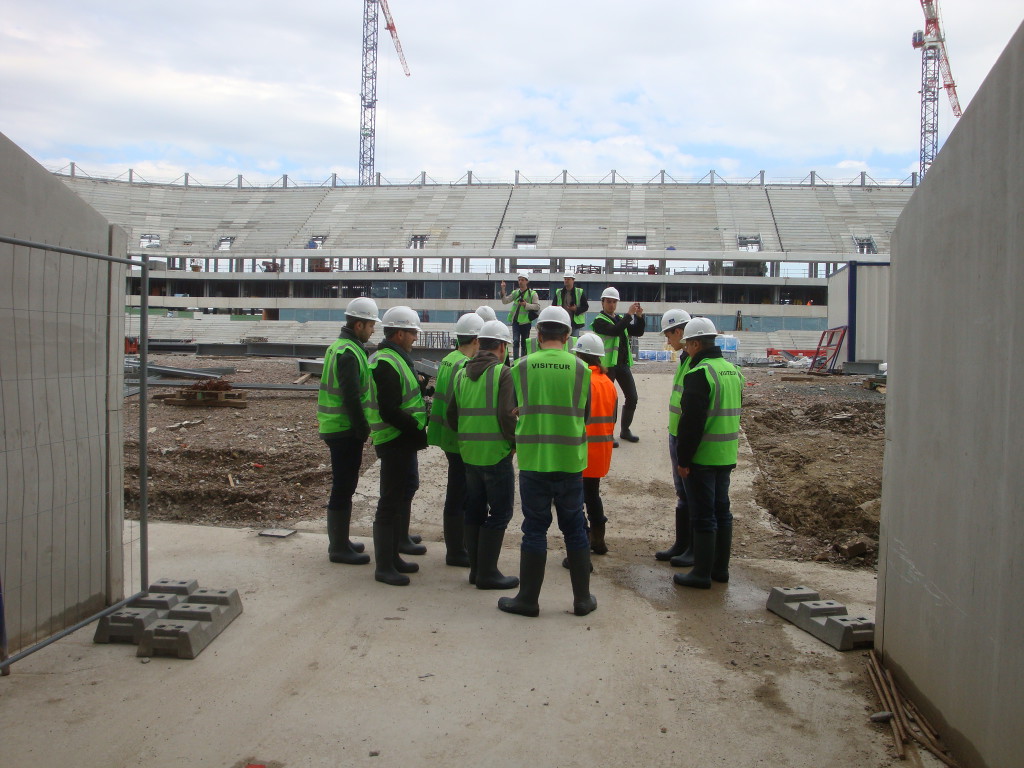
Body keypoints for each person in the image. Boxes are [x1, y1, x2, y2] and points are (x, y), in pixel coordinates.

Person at [498, 306, 596, 618]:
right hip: (570, 462)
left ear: (538, 335)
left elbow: (512, 410)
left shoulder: (521, 367)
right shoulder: (583, 370)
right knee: (575, 528)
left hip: (534, 461)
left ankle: (528, 600)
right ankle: (582, 599)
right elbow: (587, 415)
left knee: (535, 529)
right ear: (568, 336)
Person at [671, 317, 745, 589]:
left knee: (703, 514)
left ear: (696, 343)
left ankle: (701, 573)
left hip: (703, 458)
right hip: (726, 454)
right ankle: (719, 570)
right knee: (722, 511)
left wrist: (684, 459)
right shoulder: (732, 371)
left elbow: (691, 424)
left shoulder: (699, 374)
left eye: (688, 345)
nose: (686, 350)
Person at [447, 320, 520, 590]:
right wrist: (514, 443)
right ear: (501, 346)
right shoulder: (503, 373)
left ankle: (477, 571)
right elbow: (506, 415)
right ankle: (488, 573)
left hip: (469, 455)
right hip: (496, 454)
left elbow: (451, 416)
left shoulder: (461, 373)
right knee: (500, 513)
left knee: (474, 510)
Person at [366, 306, 431, 586]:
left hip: (402, 440)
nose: (415, 338)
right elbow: (389, 410)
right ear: (400, 333)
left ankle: (393, 557)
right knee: (389, 502)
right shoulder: (385, 362)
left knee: (400, 494)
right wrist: (417, 426)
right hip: (394, 440)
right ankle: (384, 567)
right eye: (413, 332)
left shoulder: (396, 358)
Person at [316, 296, 379, 566]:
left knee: (346, 484)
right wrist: (362, 429)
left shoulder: (341, 347)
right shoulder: (349, 352)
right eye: (370, 325)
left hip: (338, 426)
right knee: (344, 485)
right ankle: (338, 547)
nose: (373, 330)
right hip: (343, 428)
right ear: (358, 325)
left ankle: (341, 540)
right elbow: (352, 395)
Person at [427, 312, 484, 568]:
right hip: (459, 439)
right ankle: (456, 551)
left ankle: (456, 547)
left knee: (457, 492)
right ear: (476, 339)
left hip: (447, 436)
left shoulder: (450, 358)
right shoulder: (465, 365)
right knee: (459, 494)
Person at [656, 308, 695, 565]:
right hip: (676, 431)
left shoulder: (695, 361)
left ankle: (692, 548)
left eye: (668, 335)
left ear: (678, 332)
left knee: (691, 494)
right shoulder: (685, 358)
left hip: (684, 434)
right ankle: (682, 544)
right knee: (682, 494)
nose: (667, 341)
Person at [574, 333, 617, 555]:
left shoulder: (580, 382)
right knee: (593, 495)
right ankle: (598, 540)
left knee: (575, 500)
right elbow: (613, 418)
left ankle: (581, 541)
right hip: (601, 451)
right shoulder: (608, 384)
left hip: (580, 450)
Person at [591, 286, 646, 443]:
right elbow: (615, 331)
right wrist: (629, 315)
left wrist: (640, 317)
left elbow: (637, 331)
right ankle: (608, 433)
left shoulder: (620, 318)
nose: (612, 305)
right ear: (602, 303)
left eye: (614, 302)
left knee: (632, 397)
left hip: (622, 365)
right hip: (607, 366)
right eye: (609, 301)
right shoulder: (599, 321)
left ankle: (625, 430)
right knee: (610, 401)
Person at [499, 273, 540, 361]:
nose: (520, 282)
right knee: (516, 341)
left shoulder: (532, 294)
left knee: (525, 343)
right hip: (516, 321)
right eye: (519, 280)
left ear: (527, 281)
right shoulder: (515, 293)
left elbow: (537, 306)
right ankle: (516, 360)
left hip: (526, 322)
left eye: (522, 280)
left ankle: (523, 360)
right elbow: (505, 301)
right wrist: (503, 288)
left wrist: (526, 304)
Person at [552, 272, 589, 338]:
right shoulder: (559, 292)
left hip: (575, 323)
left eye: (568, 279)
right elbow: (553, 307)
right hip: (562, 322)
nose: (566, 281)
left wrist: (576, 309)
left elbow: (585, 307)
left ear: (573, 280)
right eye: (565, 279)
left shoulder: (579, 292)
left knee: (574, 342)